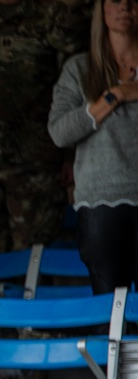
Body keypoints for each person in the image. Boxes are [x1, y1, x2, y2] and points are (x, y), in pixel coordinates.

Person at [0, 0, 91, 252]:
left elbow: (75, 86)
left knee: (35, 258)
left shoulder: (48, 15)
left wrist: (71, 154)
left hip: (34, 163)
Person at [48, 0, 138, 294]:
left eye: (133, 1)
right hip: (101, 201)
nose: (125, 6)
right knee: (110, 305)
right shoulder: (79, 68)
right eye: (115, 0)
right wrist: (115, 96)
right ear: (101, 10)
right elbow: (60, 132)